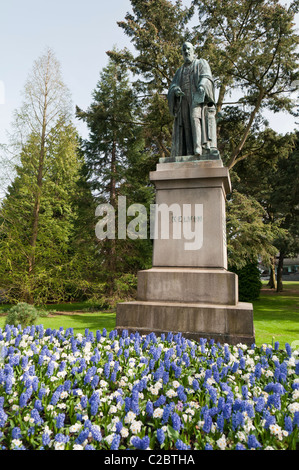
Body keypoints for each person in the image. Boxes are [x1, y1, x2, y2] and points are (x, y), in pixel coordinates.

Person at [168, 42, 219, 159]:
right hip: (183, 99)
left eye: (188, 49)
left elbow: (207, 77)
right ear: (182, 53)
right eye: (184, 50)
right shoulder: (179, 71)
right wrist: (175, 91)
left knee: (195, 117)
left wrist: (201, 86)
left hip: (197, 98)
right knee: (186, 123)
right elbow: (173, 86)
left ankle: (198, 147)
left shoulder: (201, 63)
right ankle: (189, 150)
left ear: (193, 51)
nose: (186, 52)